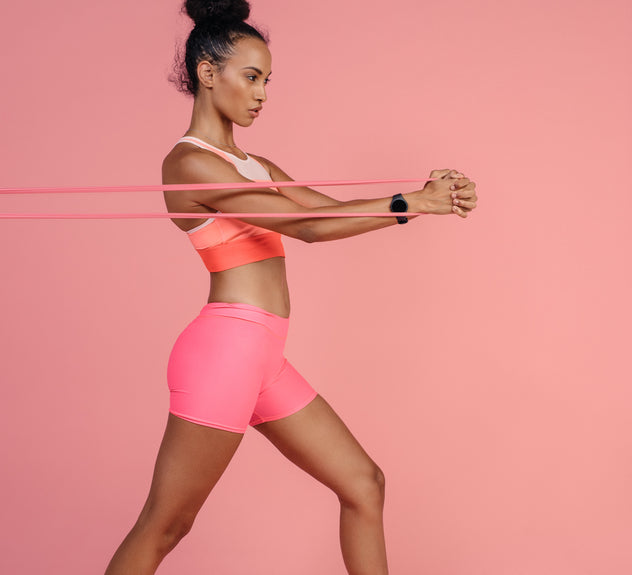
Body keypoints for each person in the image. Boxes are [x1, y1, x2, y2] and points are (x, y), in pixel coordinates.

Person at [104, 1, 478, 574]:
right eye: (251, 77)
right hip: (224, 353)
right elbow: (300, 226)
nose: (261, 94)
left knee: (363, 484)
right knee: (166, 524)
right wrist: (414, 204)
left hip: (264, 358)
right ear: (208, 73)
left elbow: (328, 220)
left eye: (267, 81)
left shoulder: (258, 164)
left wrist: (419, 198)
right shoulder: (188, 165)